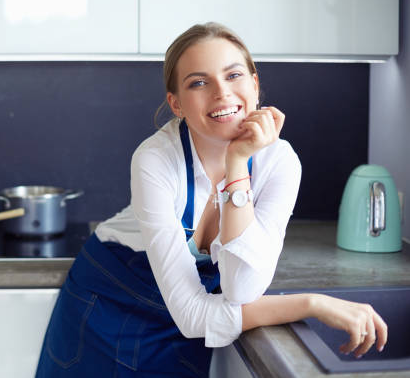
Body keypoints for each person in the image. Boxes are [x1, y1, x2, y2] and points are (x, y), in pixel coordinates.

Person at [35, 22, 387, 377]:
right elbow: (192, 317)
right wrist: (311, 304)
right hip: (108, 302)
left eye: (233, 75)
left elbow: (241, 289)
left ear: (255, 84)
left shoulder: (279, 162)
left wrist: (237, 165)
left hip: (192, 314)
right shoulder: (156, 159)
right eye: (199, 83)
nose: (222, 93)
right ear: (176, 104)